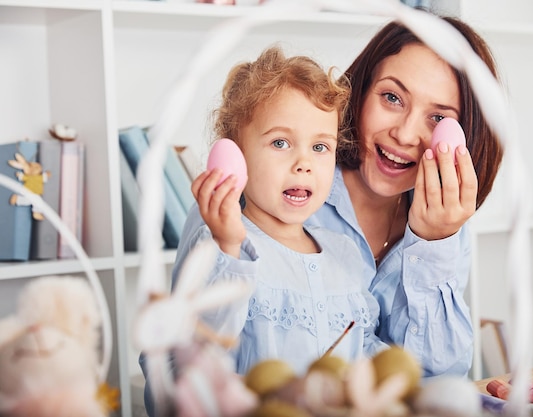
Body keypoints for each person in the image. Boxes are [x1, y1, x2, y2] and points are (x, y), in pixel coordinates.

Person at [171, 15, 504, 381]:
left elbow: (436, 379)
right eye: (392, 97)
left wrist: (433, 243)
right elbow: (175, 384)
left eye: (438, 118)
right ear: (359, 94)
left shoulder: (443, 226)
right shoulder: (228, 215)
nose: (405, 134)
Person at [171, 45, 388, 376]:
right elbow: (186, 366)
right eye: (280, 143)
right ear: (235, 154)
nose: (303, 164)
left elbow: (364, 347)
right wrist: (229, 248)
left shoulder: (344, 254)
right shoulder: (221, 245)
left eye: (319, 147)